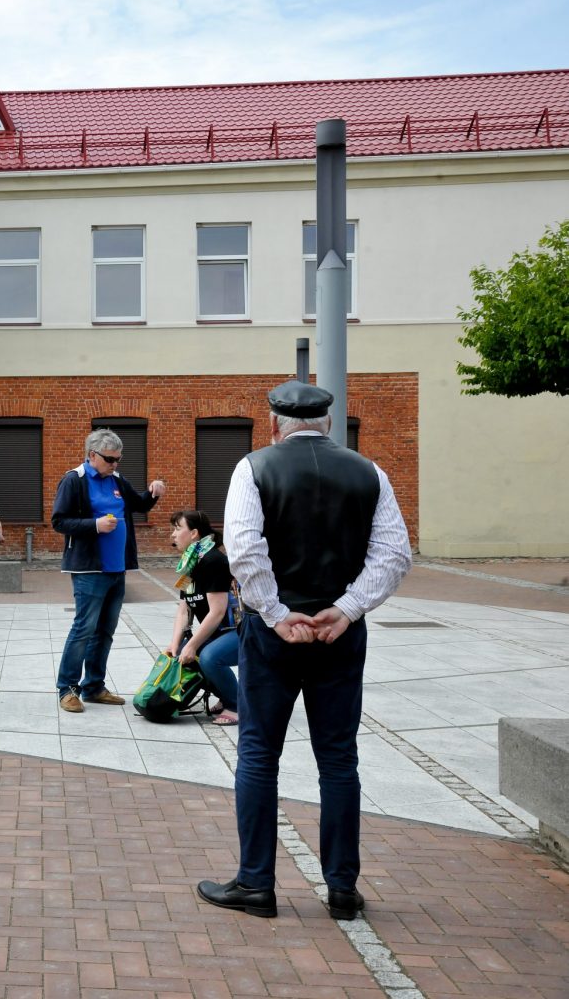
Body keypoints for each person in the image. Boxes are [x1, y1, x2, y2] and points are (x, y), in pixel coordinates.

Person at [197, 381, 410, 921]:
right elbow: (394, 555)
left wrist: (276, 613)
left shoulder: (253, 468)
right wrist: (346, 608)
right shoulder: (370, 472)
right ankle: (341, 888)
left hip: (273, 636)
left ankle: (255, 883)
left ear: (274, 424)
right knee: (338, 758)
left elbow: (244, 549)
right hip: (339, 635)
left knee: (259, 754)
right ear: (329, 423)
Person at [52, 429, 167, 713]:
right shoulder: (74, 480)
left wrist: (153, 492)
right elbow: (59, 521)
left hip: (117, 569)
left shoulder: (117, 479)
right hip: (89, 569)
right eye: (110, 459)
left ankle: (94, 686)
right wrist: (95, 525)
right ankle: (67, 689)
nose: (115, 464)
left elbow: (139, 504)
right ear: (92, 455)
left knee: (105, 631)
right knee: (84, 629)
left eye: (118, 459)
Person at [164, 510, 240, 726]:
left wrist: (192, 645)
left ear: (194, 533)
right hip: (218, 632)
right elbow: (184, 611)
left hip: (239, 631)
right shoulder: (190, 564)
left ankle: (237, 706)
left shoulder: (213, 561)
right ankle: (226, 695)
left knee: (207, 657)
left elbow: (217, 612)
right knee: (182, 654)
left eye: (178, 528)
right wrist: (175, 645)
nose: (173, 534)